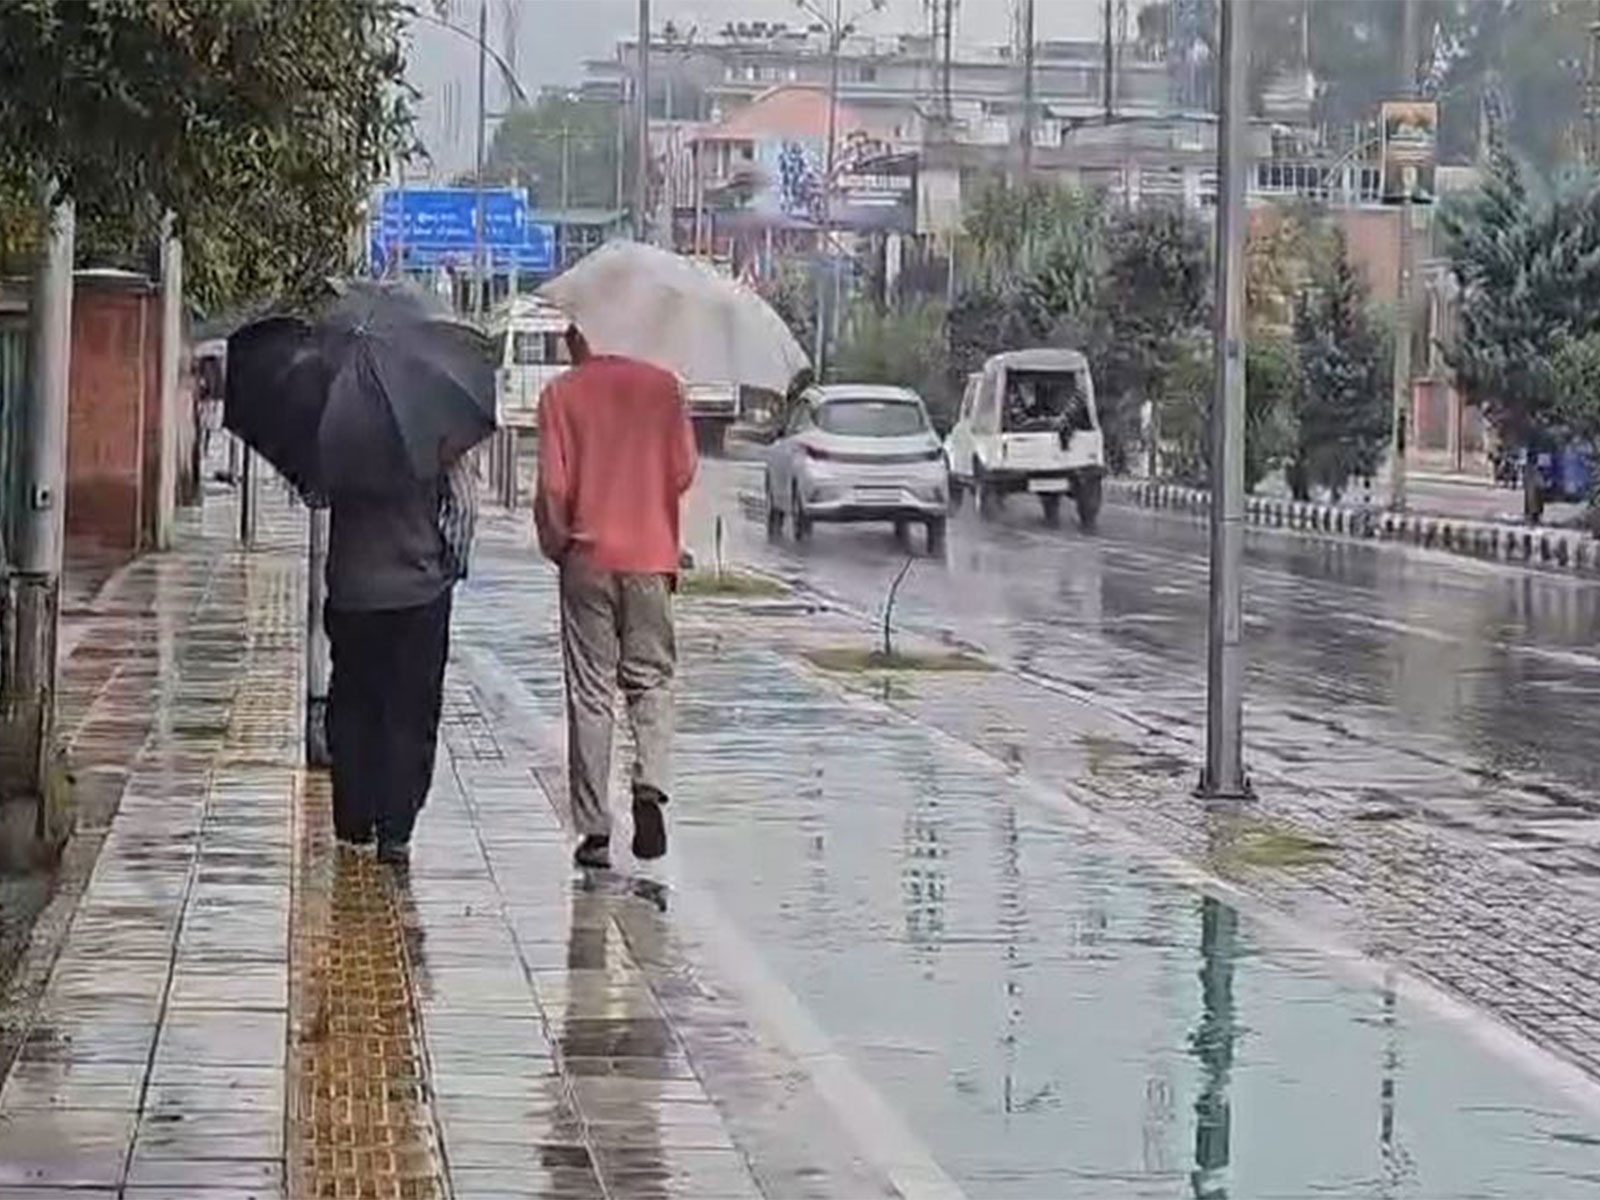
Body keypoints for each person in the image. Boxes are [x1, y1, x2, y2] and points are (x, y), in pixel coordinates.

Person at [535, 325, 697, 870]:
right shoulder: (664, 388)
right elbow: (683, 472)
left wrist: (558, 543)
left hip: (586, 557)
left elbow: (553, 487)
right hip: (650, 555)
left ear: (579, 338)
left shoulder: (560, 394)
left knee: (590, 693)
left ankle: (595, 830)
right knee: (650, 680)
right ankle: (650, 783)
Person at [324, 455, 472, 866]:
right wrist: (447, 567)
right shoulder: (439, 430)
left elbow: (315, 494)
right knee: (412, 707)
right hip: (419, 592)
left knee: (353, 700)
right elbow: (463, 508)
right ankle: (396, 825)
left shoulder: (340, 432)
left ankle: (354, 816)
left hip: (353, 587)